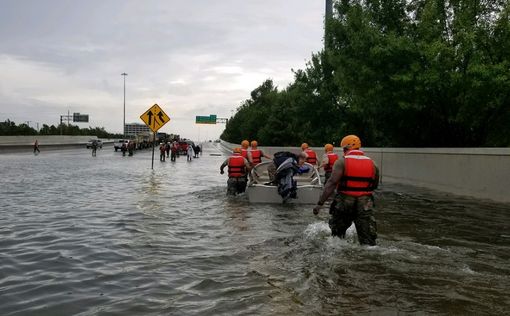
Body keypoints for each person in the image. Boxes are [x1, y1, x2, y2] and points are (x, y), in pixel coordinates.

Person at [313, 135, 379, 245]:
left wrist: (319, 204)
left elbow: (331, 183)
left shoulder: (342, 162)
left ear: (345, 148)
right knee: (368, 241)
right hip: (365, 203)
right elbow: (374, 185)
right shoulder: (373, 163)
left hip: (345, 201)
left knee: (337, 237)